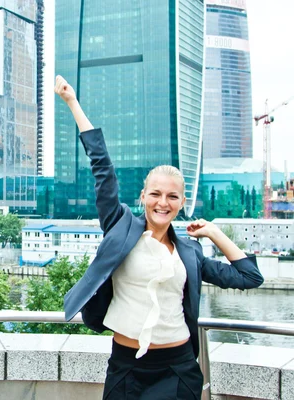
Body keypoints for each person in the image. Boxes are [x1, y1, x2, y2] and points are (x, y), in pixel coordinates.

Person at [55, 75, 264, 399]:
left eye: (172, 197)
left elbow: (250, 277)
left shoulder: (190, 253)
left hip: (178, 369)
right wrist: (73, 103)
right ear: (143, 196)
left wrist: (213, 231)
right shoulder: (120, 226)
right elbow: (102, 167)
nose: (162, 203)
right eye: (155, 194)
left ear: (182, 202)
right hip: (126, 368)